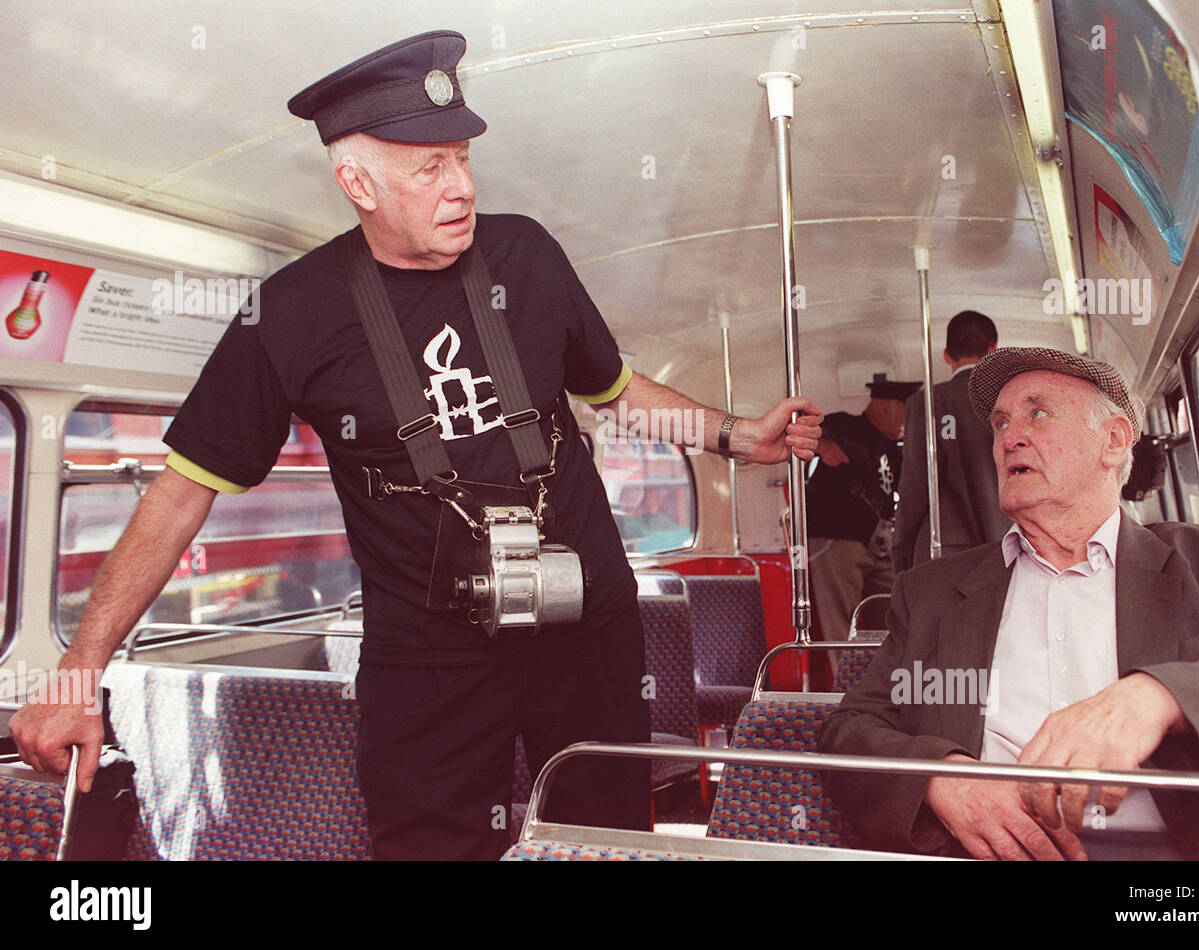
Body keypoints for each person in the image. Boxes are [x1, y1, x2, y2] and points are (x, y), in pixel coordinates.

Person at [9, 31, 823, 860]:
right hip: (428, 649)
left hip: (587, 618)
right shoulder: (289, 314)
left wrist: (734, 436)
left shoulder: (528, 254)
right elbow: (183, 490)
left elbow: (612, 392)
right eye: (429, 169)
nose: (462, 188)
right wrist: (78, 672)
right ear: (356, 182)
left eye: (464, 158)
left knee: (602, 841)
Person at [819, 347, 1199, 860]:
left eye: (1038, 414)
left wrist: (1160, 698)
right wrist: (939, 779)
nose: (1009, 438)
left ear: (1113, 441)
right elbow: (852, 730)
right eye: (1000, 423)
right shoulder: (931, 590)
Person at [806, 374, 919, 668]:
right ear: (885, 409)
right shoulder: (843, 426)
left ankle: (889, 682)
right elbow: (798, 437)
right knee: (841, 621)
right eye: (904, 416)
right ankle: (846, 692)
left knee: (897, 606)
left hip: (876, 544)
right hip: (836, 540)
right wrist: (822, 446)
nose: (905, 425)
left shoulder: (896, 447)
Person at [892, 310, 1009, 572]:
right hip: (1008, 541)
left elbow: (915, 484)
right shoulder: (1012, 400)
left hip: (945, 544)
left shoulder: (927, 403)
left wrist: (901, 550)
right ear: (993, 350)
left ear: (947, 355)